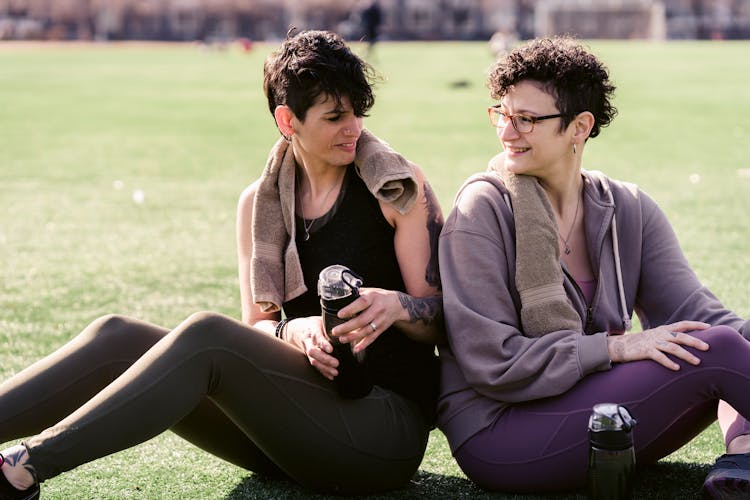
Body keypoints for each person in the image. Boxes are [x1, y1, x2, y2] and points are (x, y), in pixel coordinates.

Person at [0, 29, 443, 499]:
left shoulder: (397, 189)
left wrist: (396, 306)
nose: (353, 128)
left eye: (357, 112)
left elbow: (443, 320)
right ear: (287, 120)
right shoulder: (258, 204)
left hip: (383, 433)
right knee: (118, 336)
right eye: (335, 116)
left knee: (207, 336)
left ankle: (22, 468)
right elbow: (258, 324)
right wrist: (292, 331)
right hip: (288, 424)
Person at [436, 36, 750, 498]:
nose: (507, 132)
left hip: (599, 411)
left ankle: (741, 454)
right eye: (502, 114)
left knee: (723, 341)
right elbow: (493, 362)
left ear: (579, 126)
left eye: (526, 119)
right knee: (717, 350)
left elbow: (699, 313)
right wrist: (615, 349)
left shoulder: (628, 208)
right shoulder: (482, 208)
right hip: (500, 434)